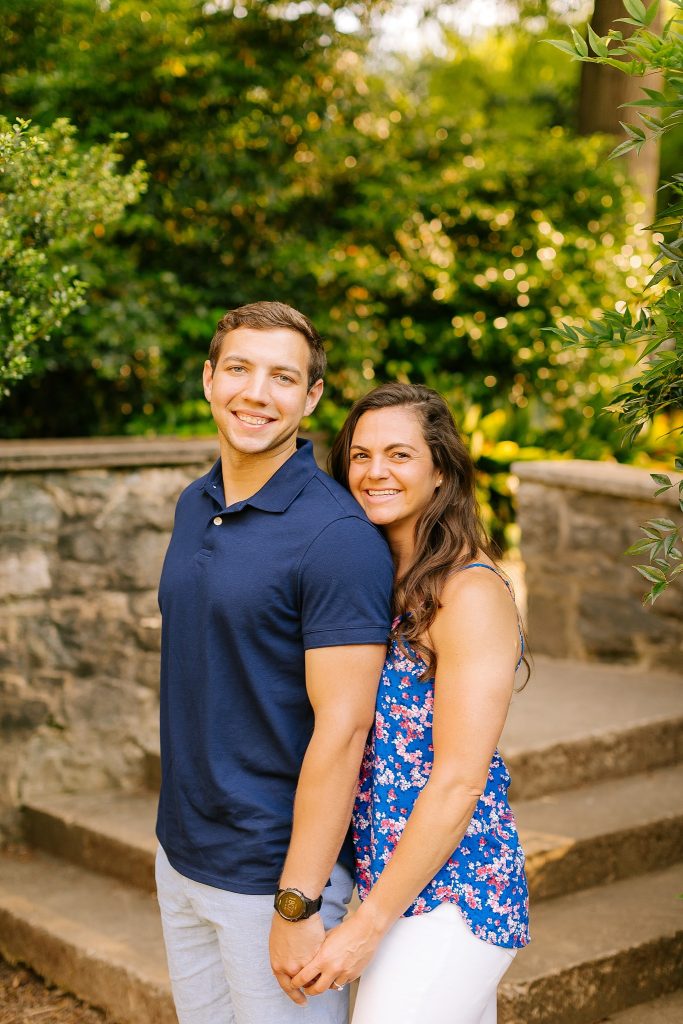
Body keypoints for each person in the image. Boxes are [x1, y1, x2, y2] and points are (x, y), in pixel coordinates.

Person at [154, 301, 394, 1024]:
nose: (256, 393)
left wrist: (297, 900)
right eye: (239, 368)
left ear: (311, 397)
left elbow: (344, 729)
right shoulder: (196, 503)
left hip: (270, 877)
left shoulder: (335, 537)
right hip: (180, 853)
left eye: (282, 377)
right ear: (208, 378)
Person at [291, 381, 530, 1024]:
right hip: (387, 879)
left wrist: (367, 926)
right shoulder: (377, 577)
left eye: (399, 454)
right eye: (361, 455)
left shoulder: (469, 592)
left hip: (457, 889)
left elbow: (458, 781)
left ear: (441, 469)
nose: (374, 472)